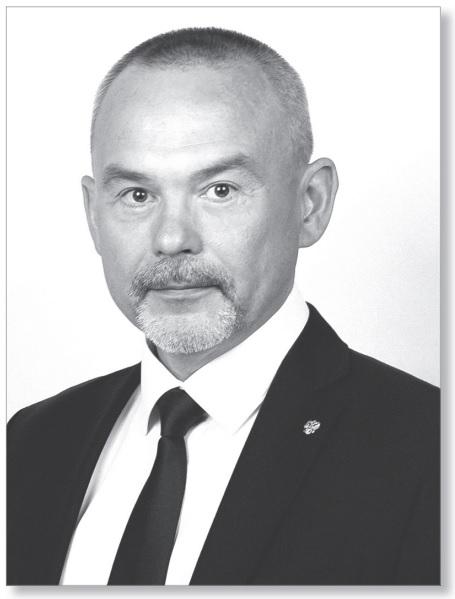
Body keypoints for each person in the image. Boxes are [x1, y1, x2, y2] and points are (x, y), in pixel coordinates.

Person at [7, 27, 439, 586]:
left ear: (311, 204)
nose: (171, 239)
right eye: (137, 195)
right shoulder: (31, 443)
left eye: (220, 190)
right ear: (93, 214)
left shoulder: (431, 453)